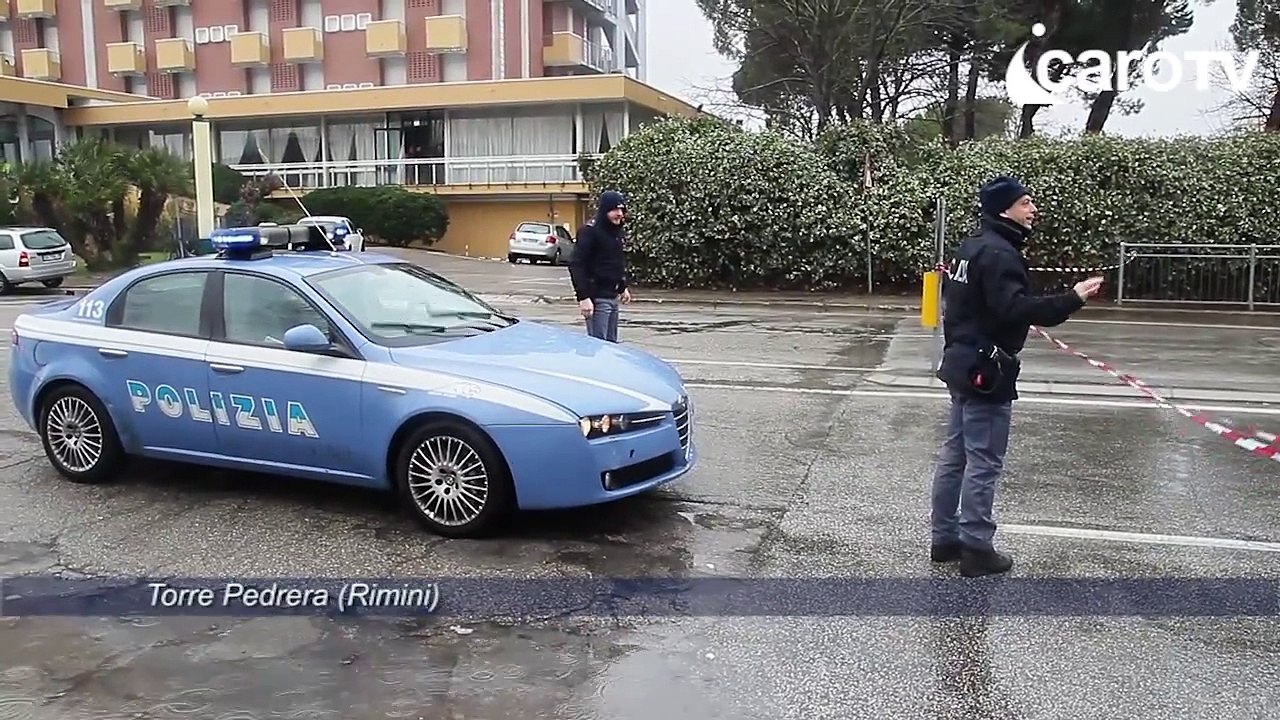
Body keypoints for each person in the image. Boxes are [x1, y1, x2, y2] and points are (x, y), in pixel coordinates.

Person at [929, 176, 1104, 577]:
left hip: (962, 362)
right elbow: (1015, 309)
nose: (1033, 210)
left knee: (956, 456)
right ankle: (976, 547)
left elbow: (961, 306)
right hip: (986, 369)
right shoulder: (999, 253)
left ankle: (945, 538)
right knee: (983, 460)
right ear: (1004, 209)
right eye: (1026, 203)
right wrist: (1071, 299)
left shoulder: (971, 247)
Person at [569, 190, 632, 342]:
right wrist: (583, 297)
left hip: (612, 297)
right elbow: (577, 264)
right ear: (604, 210)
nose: (619, 214)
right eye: (614, 210)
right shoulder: (589, 232)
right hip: (597, 299)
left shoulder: (615, 233)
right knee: (598, 347)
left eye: (621, 210)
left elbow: (614, 262)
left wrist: (622, 287)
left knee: (611, 346)